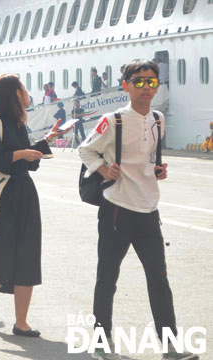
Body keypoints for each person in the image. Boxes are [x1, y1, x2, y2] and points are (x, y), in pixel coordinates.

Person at [79, 59, 198, 360]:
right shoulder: (114, 120)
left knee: (159, 278)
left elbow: (147, 158)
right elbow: (85, 149)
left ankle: (170, 346)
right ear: (126, 85)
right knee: (107, 278)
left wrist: (157, 170)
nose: (147, 88)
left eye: (152, 82)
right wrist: (103, 168)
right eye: (140, 82)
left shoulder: (158, 119)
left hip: (148, 210)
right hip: (117, 210)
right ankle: (101, 343)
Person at [0, 73, 67, 338]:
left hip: (25, 193)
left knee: (28, 254)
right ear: (15, 93)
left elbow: (28, 162)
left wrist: (47, 140)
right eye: (24, 89)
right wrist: (21, 154)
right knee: (2, 254)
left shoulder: (19, 124)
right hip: (2, 197)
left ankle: (21, 321)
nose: (27, 94)